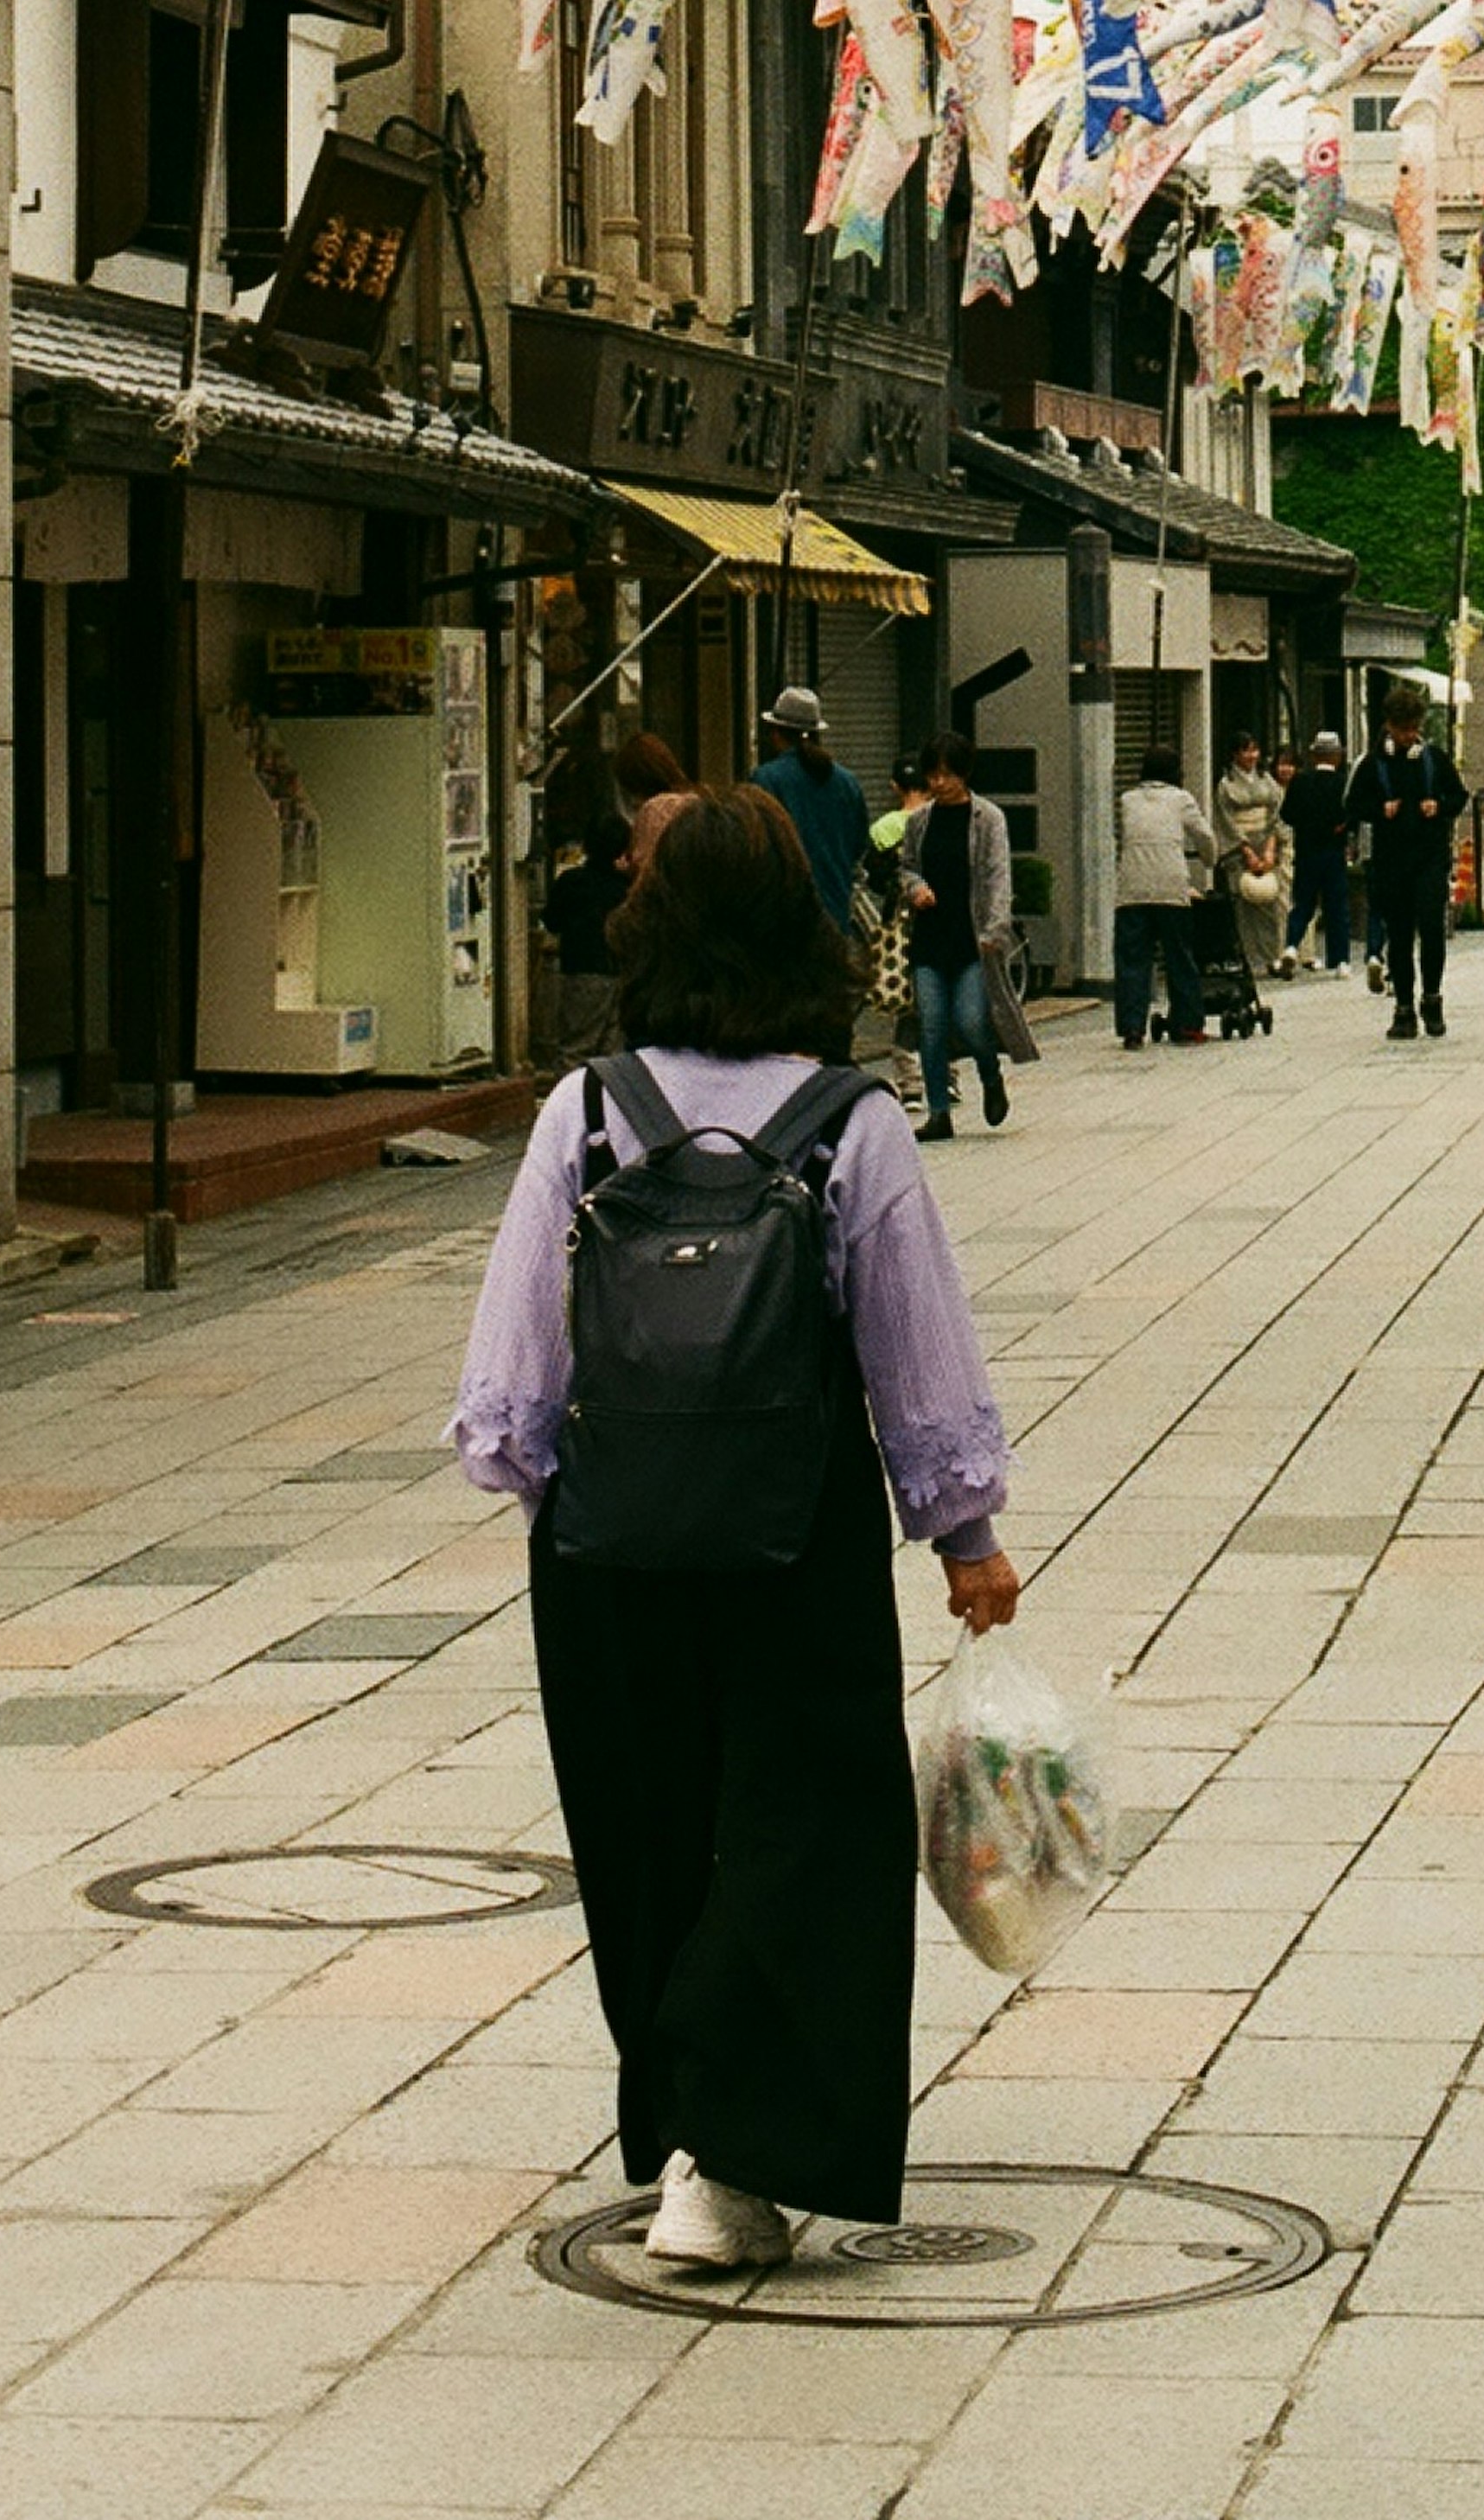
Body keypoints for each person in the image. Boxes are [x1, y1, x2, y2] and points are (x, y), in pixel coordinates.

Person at [450, 794, 1016, 2269]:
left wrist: (530, 1467)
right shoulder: (855, 1122)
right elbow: (917, 1342)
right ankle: (734, 2155)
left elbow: (518, 1344)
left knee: (649, 1832)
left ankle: (691, 2125)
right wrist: (964, 1534)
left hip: (607, 1537)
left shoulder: (586, 1111)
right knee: (804, 1827)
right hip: (793, 1539)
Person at [538, 730, 693, 1063]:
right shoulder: (696, 805)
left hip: (604, 964)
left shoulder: (656, 811)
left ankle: (581, 1107)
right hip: (664, 956)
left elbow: (648, 882)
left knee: (577, 1048)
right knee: (614, 1048)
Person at [899, 737, 1015, 1142]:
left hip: (972, 939)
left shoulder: (988, 818)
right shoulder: (920, 821)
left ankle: (989, 1073)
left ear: (965, 773)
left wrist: (995, 930)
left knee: (969, 1021)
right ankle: (939, 1112)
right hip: (930, 936)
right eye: (933, 774)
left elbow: (998, 875)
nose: (940, 782)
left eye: (948, 774)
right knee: (931, 1025)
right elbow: (907, 867)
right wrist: (915, 888)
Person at [1347, 690, 1464, 1042]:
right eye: (1402, 730)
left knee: (1431, 927)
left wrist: (1439, 806)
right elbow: (1353, 804)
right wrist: (1379, 810)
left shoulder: (1434, 760)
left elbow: (1459, 796)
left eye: (1413, 729)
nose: (1408, 736)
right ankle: (1403, 1007)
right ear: (1389, 726)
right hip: (1391, 861)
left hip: (1429, 858)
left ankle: (1432, 997)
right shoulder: (1373, 764)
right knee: (1398, 935)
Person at [1112, 750, 1215, 1045]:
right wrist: (1210, 861)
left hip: (1132, 890)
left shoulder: (1128, 800)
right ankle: (1186, 1025)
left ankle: (1132, 1029)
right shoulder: (1181, 799)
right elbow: (1205, 837)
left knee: (1133, 961)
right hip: (1171, 889)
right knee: (1179, 957)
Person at [753, 686, 872, 938]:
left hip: (782, 914)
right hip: (835, 909)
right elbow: (859, 844)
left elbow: (756, 847)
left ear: (776, 732)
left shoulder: (766, 780)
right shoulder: (847, 782)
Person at [1210, 733, 1287, 982]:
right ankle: (1248, 960)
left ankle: (1272, 957)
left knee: (1270, 902)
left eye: (1255, 750)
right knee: (1244, 903)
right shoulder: (1226, 784)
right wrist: (1246, 850)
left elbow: (1277, 814)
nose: (1252, 756)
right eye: (1246, 751)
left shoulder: (1267, 780)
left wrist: (1270, 848)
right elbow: (1226, 822)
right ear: (1234, 754)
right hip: (1240, 848)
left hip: (1266, 843)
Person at [1280, 731, 1351, 973]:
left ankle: (1290, 946)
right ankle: (1340, 960)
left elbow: (1286, 814)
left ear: (1313, 756)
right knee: (1337, 907)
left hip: (1306, 850)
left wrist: (1305, 824)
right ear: (1338, 756)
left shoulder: (1300, 782)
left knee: (1303, 903)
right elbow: (1351, 815)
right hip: (1334, 852)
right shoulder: (1343, 783)